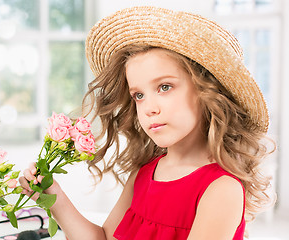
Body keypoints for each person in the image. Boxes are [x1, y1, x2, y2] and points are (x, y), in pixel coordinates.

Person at [19, 6, 275, 240]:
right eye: (139, 95)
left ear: (206, 92)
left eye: (165, 87)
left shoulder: (221, 189)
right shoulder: (144, 174)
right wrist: (53, 197)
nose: (149, 108)